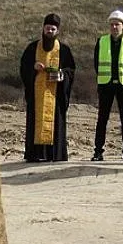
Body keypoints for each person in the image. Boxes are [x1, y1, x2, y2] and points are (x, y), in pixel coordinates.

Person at [20, 13, 76, 162]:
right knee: (36, 121)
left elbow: (71, 70)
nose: (49, 31)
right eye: (47, 28)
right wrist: (34, 67)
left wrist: (61, 74)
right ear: (43, 29)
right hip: (37, 94)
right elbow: (23, 68)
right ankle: (35, 154)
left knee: (55, 123)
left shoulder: (63, 50)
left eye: (52, 29)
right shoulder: (32, 48)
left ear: (57, 31)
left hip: (55, 94)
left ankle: (54, 154)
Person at [91, 10, 123, 161]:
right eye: (112, 25)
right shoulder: (101, 41)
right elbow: (96, 63)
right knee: (102, 119)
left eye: (118, 24)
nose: (115, 27)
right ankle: (98, 151)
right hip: (106, 85)